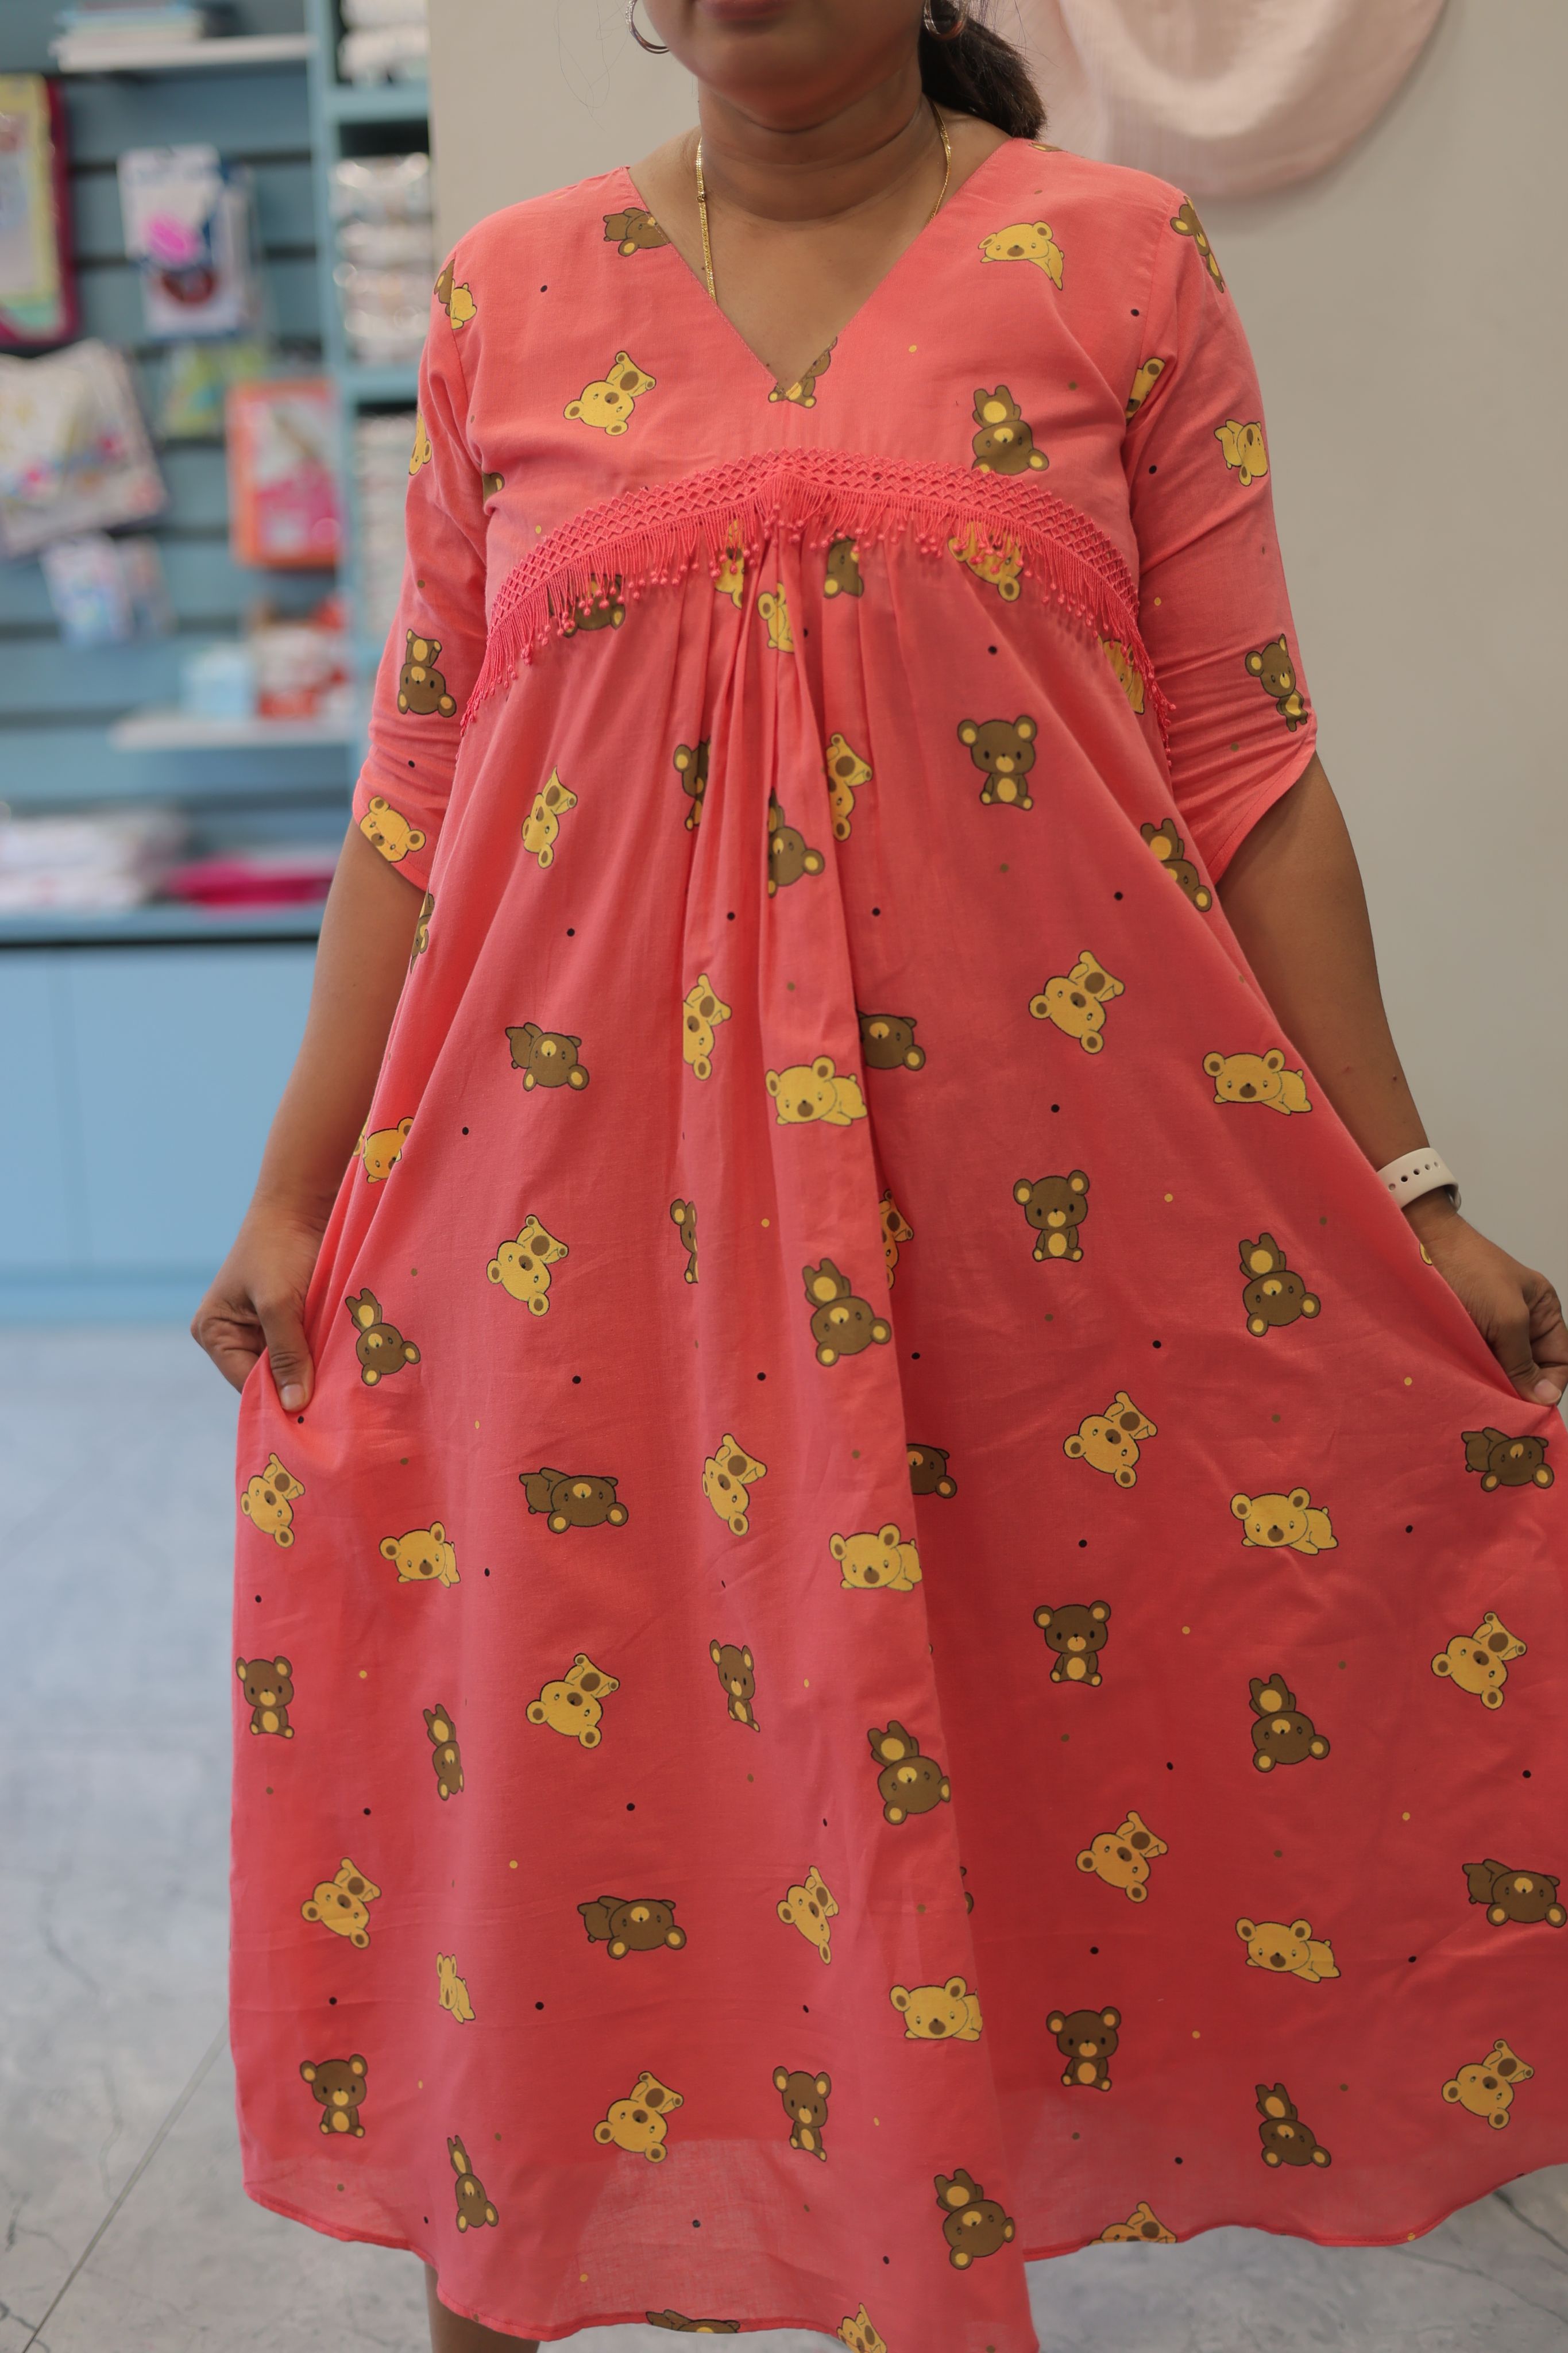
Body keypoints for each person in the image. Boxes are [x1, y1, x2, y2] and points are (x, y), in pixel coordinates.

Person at [193, 3, 1567, 2348]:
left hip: (1029, 1241)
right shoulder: (507, 287)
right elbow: (417, 793)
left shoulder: (1119, 260)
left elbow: (1242, 758)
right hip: (566, 1232)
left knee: (1001, 1780)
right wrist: (295, 1190)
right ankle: (535, 2262)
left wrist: (1406, 1188)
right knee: (566, 1773)